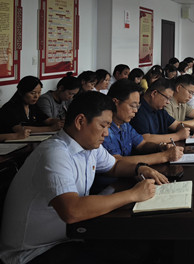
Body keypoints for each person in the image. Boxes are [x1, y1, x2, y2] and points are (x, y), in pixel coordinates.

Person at [0, 91, 163, 264]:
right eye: (103, 126)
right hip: (34, 253)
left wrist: (140, 168)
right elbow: (72, 211)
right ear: (80, 121)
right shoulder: (55, 154)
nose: (107, 133)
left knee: (143, 247)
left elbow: (114, 165)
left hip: (71, 238)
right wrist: (133, 195)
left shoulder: (89, 146)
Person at [103, 79, 184, 164]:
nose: (136, 110)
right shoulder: (104, 129)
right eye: (133, 106)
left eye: (137, 106)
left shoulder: (125, 125)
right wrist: (164, 156)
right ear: (115, 102)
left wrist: (160, 147)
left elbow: (142, 144)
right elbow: (116, 162)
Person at [129, 78, 191, 144]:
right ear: (154, 93)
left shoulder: (159, 108)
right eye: (167, 98)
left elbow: (176, 124)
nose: (168, 102)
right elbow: (145, 139)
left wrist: (193, 129)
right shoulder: (138, 110)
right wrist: (178, 136)